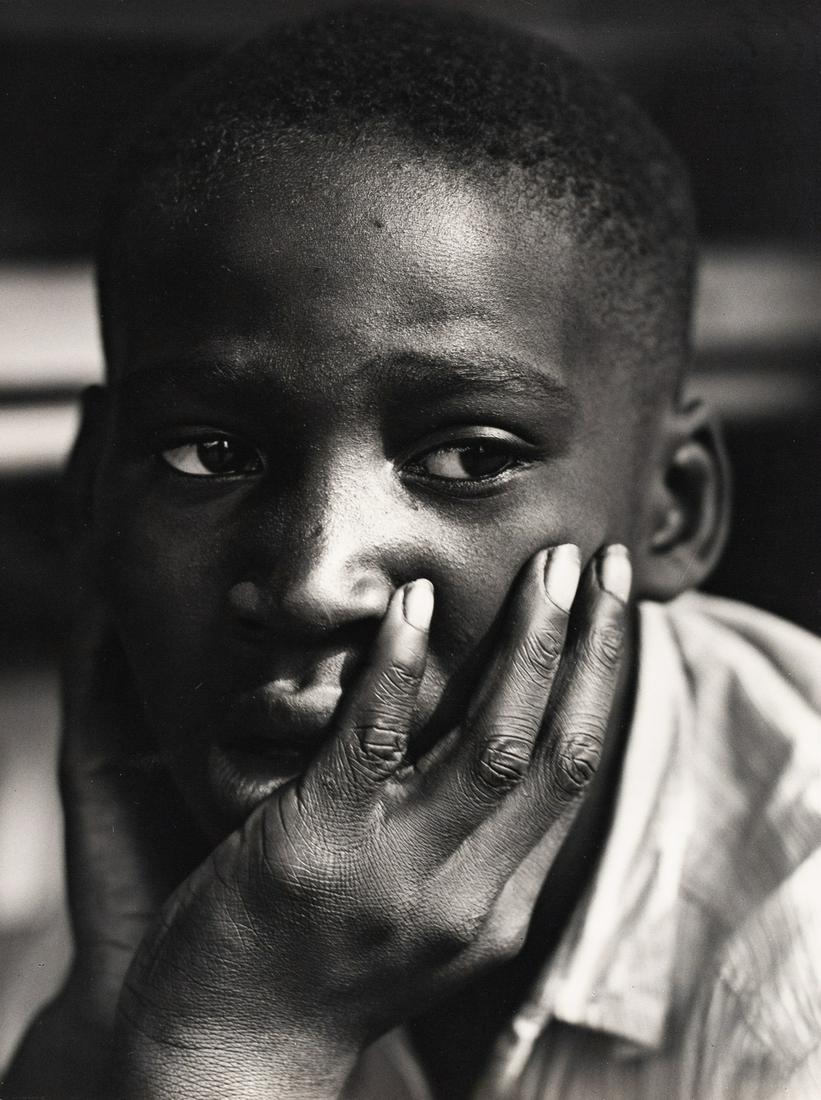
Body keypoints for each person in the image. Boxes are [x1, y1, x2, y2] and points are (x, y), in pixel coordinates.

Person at [5, 5, 821, 1098]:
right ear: (92, 490)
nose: (310, 581)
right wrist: (112, 1008)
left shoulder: (794, 978)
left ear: (670, 510)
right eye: (210, 452)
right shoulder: (121, 841)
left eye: (466, 457)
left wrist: (232, 1050)